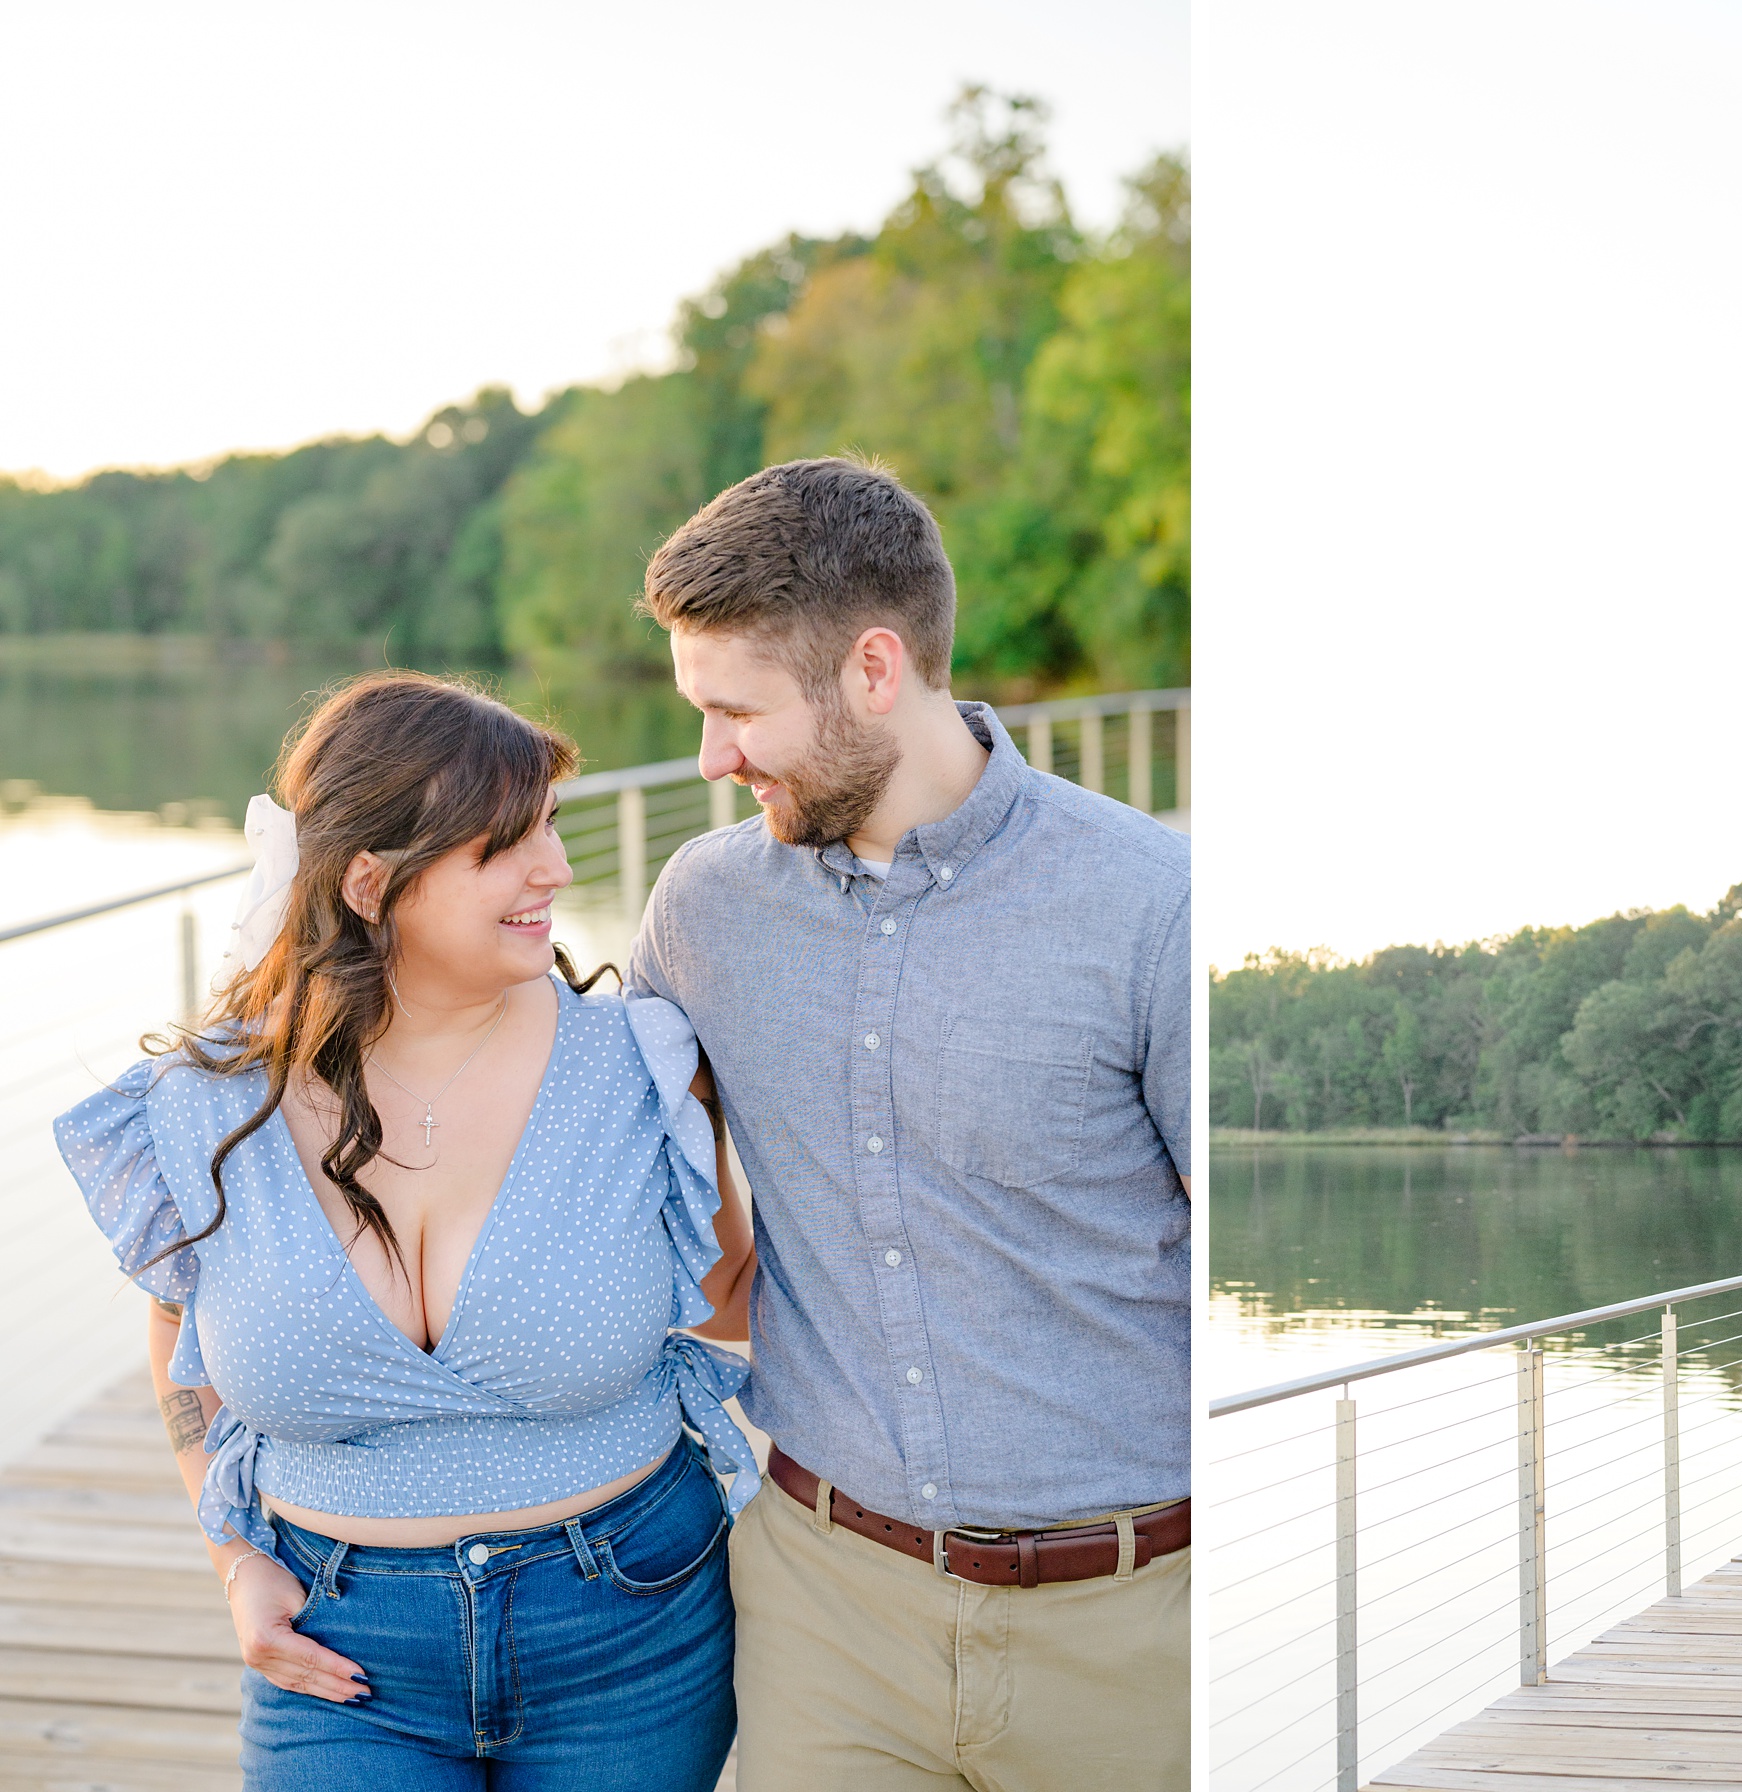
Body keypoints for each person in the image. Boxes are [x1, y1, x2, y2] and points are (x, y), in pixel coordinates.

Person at [54, 673, 760, 1791]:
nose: (559, 871)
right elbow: (178, 1334)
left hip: (632, 1625)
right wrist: (232, 1555)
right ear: (372, 882)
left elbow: (734, 1293)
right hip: (336, 1648)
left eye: (556, 828)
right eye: (504, 846)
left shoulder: (643, 1067)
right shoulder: (211, 1101)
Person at [628, 456, 1192, 1791]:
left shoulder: (1154, 906)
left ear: (874, 670)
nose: (710, 759)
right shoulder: (703, 909)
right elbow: (582, 1145)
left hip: (1137, 1629)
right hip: (827, 1606)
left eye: (734, 712)